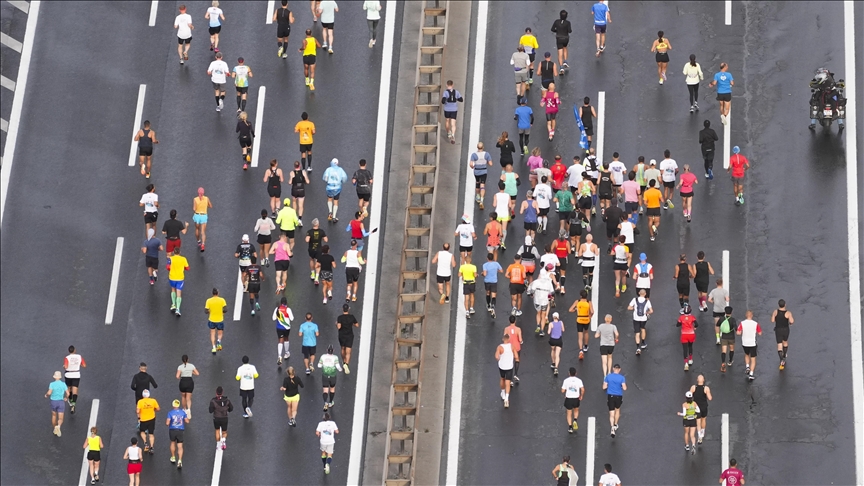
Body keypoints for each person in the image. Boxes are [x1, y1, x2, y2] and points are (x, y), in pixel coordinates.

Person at [737, 310, 762, 381]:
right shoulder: (755, 324)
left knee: (746, 354)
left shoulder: (742, 323)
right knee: (753, 359)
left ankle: (747, 366)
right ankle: (751, 373)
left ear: (746, 315)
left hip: (745, 343)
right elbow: (760, 333)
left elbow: (738, 332)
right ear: (752, 315)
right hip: (752, 343)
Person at [529, 267, 555, 333]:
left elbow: (532, 291)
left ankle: (538, 325)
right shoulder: (549, 283)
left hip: (537, 300)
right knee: (543, 314)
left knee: (538, 313)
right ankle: (542, 330)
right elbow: (552, 292)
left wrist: (532, 295)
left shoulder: (536, 282)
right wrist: (551, 297)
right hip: (545, 301)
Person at [569, 289, 593, 360]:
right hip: (586, 319)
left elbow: (570, 310)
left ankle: (580, 350)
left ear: (580, 296)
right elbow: (592, 311)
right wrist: (589, 317)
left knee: (580, 335)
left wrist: (576, 310)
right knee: (586, 332)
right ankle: (585, 346)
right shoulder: (589, 302)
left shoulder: (577, 302)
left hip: (579, 319)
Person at [603, 365, 626, 438]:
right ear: (619, 369)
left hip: (610, 396)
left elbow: (604, 387)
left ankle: (612, 427)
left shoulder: (608, 377)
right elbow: (625, 388)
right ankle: (615, 424)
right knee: (617, 410)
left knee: (611, 413)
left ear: (613, 369)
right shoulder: (622, 378)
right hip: (618, 396)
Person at [771, 299, 794, 370]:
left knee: (779, 344)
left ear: (778, 305)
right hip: (785, 329)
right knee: (785, 341)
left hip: (778, 329)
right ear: (785, 305)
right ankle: (784, 354)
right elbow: (792, 321)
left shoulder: (775, 312)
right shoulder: (788, 313)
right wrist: (790, 322)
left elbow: (772, 320)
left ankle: (781, 360)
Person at [628, 288, 653, 354]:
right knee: (643, 329)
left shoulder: (634, 300)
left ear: (639, 293)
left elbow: (629, 307)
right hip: (643, 318)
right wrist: (646, 312)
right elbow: (651, 311)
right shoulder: (647, 301)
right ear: (645, 294)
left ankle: (638, 347)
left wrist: (634, 308)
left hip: (636, 318)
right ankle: (643, 342)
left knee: (637, 332)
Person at [495, 334, 518, 408]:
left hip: (502, 366)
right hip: (509, 367)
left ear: (503, 339)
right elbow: (516, 356)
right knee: (508, 382)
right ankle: (506, 398)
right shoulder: (512, 346)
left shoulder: (500, 347)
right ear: (509, 339)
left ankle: (502, 392)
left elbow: (496, 356)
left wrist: (499, 357)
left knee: (502, 378)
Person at [63, 345, 86, 414]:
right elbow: (84, 365)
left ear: (69, 351)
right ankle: (74, 404)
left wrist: (64, 366)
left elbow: (66, 366)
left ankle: (70, 400)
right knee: (75, 390)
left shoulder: (67, 358)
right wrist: (79, 364)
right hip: (76, 374)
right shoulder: (79, 356)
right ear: (74, 350)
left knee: (69, 388)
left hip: (68, 375)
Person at [336, 304, 359, 373]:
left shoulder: (340, 317)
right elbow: (357, 325)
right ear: (348, 309)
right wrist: (352, 323)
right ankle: (346, 364)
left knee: (343, 348)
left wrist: (336, 324)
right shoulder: (351, 317)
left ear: (342, 309)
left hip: (342, 335)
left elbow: (338, 327)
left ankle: (344, 361)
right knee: (348, 351)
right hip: (349, 335)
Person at [318, 344, 343, 411]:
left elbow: (319, 366)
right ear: (333, 351)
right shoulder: (335, 357)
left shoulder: (323, 356)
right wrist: (341, 369)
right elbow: (338, 367)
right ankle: (330, 402)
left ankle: (325, 402)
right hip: (333, 376)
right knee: (332, 389)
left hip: (325, 375)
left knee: (325, 390)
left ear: (327, 350)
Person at [689, 374, 712, 444]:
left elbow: (689, 396)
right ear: (704, 380)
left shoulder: (693, 387)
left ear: (697, 380)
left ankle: (699, 436)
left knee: (698, 422)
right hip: (704, 406)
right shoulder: (706, 388)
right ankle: (702, 433)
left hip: (696, 407)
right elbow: (710, 398)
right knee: (703, 419)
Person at [166, 399, 189, 468]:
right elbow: (187, 421)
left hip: (172, 430)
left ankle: (173, 457)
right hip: (180, 430)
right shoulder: (183, 412)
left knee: (172, 443)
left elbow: (167, 423)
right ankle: (180, 460)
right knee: (180, 446)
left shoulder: (170, 413)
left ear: (173, 405)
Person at [135, 389, 159, 454]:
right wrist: (152, 409)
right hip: (151, 419)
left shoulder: (140, 402)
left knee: (142, 432)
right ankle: (151, 447)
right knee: (151, 434)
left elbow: (137, 411)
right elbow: (158, 409)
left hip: (143, 420)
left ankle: (145, 443)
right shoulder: (153, 401)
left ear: (143, 395)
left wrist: (139, 416)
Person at [167, 247, 189, 316]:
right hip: (180, 278)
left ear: (173, 252)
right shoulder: (183, 259)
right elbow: (187, 268)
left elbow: (168, 267)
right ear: (180, 252)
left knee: (173, 290)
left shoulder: (170, 259)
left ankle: (173, 304)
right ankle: (178, 309)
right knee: (178, 293)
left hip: (172, 277)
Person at [46, 371, 69, 436]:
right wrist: (66, 398)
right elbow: (68, 393)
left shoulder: (52, 384)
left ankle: (55, 429)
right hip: (61, 402)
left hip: (53, 401)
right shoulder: (63, 384)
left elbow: (49, 393)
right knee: (61, 418)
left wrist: (46, 395)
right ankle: (58, 426)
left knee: (54, 415)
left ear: (54, 377)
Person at [470, 142, 493, 208]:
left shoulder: (474, 155)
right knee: (482, 185)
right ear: (483, 147)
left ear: (477, 147)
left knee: (477, 183)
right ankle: (482, 200)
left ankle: (477, 196)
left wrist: (473, 167)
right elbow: (491, 164)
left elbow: (471, 164)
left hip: (476, 171)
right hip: (484, 171)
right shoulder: (486, 154)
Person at [205, 288, 228, 354]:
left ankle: (213, 347)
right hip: (220, 320)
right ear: (218, 293)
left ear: (212, 293)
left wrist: (210, 312)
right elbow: (225, 309)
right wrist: (222, 313)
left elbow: (206, 311)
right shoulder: (222, 300)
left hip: (211, 319)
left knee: (212, 333)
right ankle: (218, 340)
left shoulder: (208, 301)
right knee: (220, 333)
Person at [709, 278, 730, 344]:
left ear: (716, 284)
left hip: (716, 310)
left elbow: (709, 299)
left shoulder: (713, 291)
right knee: (723, 323)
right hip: (723, 310)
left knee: (716, 324)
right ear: (722, 284)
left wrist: (713, 301)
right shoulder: (725, 291)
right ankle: (721, 333)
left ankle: (718, 338)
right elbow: (727, 300)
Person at [503, 316, 523, 385]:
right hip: (516, 347)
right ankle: (516, 374)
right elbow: (520, 339)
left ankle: (510, 379)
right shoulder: (518, 329)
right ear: (515, 321)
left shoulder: (506, 329)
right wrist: (521, 341)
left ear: (509, 321)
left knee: (510, 362)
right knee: (517, 360)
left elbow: (505, 338)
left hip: (509, 347)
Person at [274, 297, 294, 365]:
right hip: (287, 328)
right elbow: (292, 318)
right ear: (286, 302)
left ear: (281, 302)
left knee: (280, 340)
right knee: (286, 339)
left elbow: (273, 318)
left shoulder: (277, 309)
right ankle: (286, 353)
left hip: (279, 327)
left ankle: (279, 356)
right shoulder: (288, 309)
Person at [677, 304, 698, 371]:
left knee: (685, 348)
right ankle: (690, 359)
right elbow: (696, 324)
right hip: (691, 334)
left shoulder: (681, 317)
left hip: (684, 334)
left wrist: (682, 323)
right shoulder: (692, 317)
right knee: (690, 346)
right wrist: (694, 328)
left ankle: (686, 363)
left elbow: (677, 325)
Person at [718, 306, 737, 372]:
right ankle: (730, 361)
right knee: (731, 349)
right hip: (731, 337)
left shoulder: (721, 318)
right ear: (731, 312)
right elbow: (736, 328)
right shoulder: (733, 319)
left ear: (725, 312)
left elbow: (717, 325)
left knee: (724, 351)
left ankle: (723, 362)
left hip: (724, 337)